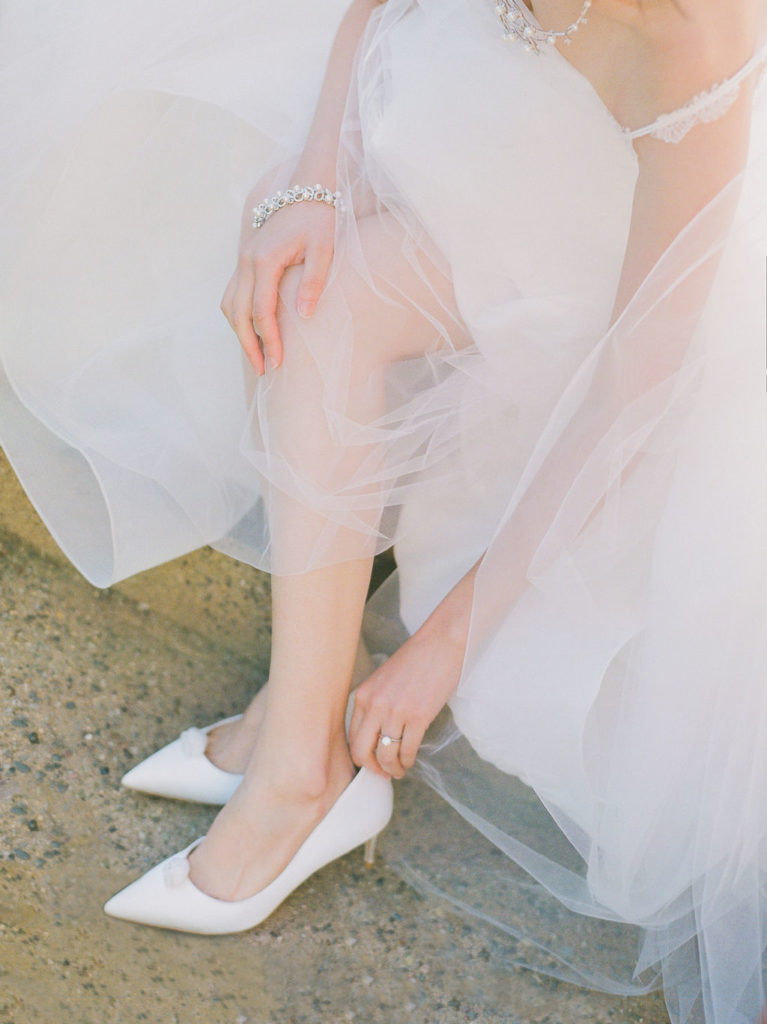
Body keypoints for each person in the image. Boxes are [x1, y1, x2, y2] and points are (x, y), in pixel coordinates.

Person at [1, 1, 766, 1021]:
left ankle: (296, 771)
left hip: (623, 253)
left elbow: (635, 383)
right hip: (472, 109)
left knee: (337, 300)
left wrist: (445, 641)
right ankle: (304, 731)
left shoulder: (694, 34)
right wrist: (315, 181)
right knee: (307, 285)